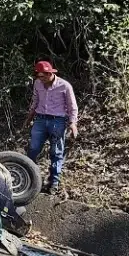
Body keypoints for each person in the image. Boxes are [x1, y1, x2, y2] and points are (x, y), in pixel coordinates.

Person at [24, 60, 79, 195]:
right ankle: (30, 178)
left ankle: (54, 182)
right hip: (40, 120)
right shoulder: (37, 83)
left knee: (56, 152)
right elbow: (35, 101)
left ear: (50, 74)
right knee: (33, 149)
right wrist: (29, 118)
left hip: (57, 121)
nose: (41, 79)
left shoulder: (64, 86)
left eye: (43, 76)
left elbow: (72, 106)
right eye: (39, 76)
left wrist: (73, 123)